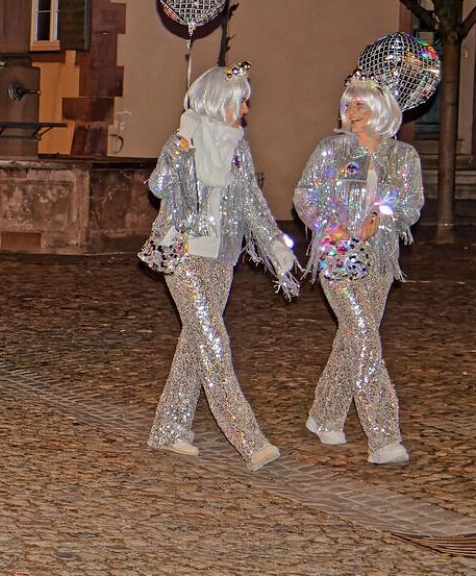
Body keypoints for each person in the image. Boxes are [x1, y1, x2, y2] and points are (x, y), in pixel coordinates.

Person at [140, 63, 297, 471]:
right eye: (241, 101)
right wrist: (181, 147)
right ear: (220, 101)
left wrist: (276, 244)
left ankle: (168, 427)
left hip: (222, 258)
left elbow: (251, 204)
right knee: (214, 343)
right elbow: (157, 186)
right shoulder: (183, 141)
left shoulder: (239, 149)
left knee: (196, 343)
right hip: (184, 255)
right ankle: (250, 439)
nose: (245, 110)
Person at [294, 73, 423, 465]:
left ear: (380, 110)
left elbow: (410, 204)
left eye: (359, 106)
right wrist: (328, 225)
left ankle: (325, 414)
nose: (351, 113)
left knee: (354, 339)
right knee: (365, 340)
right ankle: (384, 436)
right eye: (347, 105)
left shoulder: (403, 157)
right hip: (337, 257)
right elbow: (305, 193)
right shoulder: (331, 149)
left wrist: (382, 216)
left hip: (380, 261)